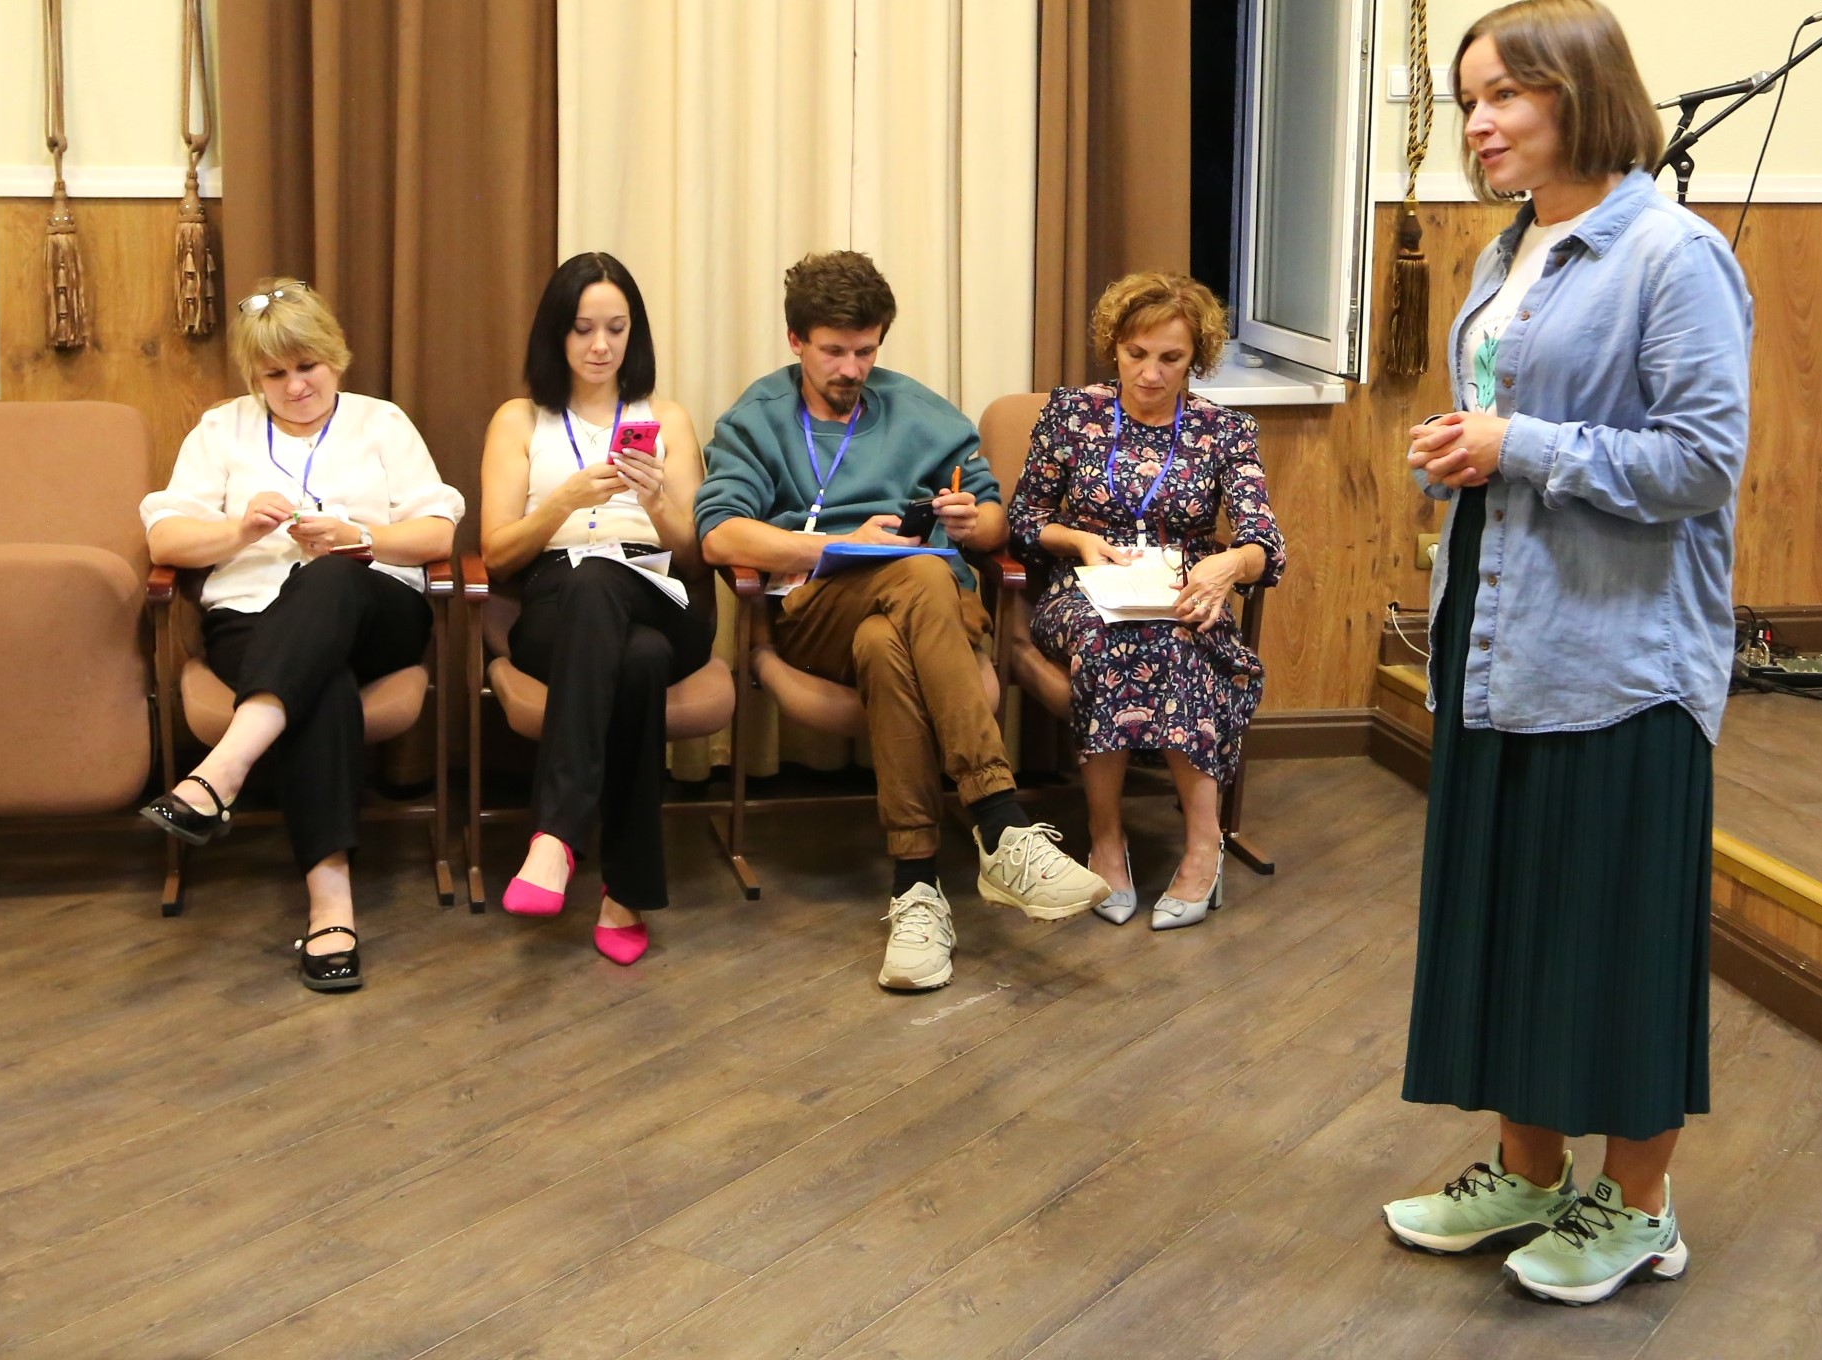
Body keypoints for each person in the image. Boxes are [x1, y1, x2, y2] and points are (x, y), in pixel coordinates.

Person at [1381, 0, 1751, 1305]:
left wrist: (1518, 446)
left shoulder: (1671, 254)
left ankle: (1640, 1207)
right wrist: (1462, 450)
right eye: (1469, 99)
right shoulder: (1510, 248)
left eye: (1504, 95)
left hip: (1619, 655)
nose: (1477, 123)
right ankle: (1529, 1174)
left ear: (1580, 92)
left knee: (1612, 938)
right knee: (1510, 919)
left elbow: (1701, 462)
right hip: (1495, 638)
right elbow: (1505, 421)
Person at [696, 249, 1109, 992]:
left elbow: (993, 522)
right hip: (816, 612)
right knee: (916, 571)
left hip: (927, 617)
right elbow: (720, 535)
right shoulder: (758, 418)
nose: (850, 369)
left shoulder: (918, 410)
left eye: (865, 351)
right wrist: (839, 546)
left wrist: (971, 519)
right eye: (833, 351)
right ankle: (1000, 821)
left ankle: (916, 890)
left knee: (888, 640)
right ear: (796, 341)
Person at [138, 279, 462, 993]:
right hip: (251, 622)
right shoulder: (221, 430)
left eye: (307, 366)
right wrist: (238, 530)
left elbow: (437, 532)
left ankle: (223, 769)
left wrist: (358, 536)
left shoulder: (381, 423)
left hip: (376, 611)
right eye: (274, 374)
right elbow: (165, 537)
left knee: (330, 577)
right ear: (253, 378)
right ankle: (331, 908)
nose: (295, 387)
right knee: (323, 684)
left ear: (335, 358)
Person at [1009, 272, 1285, 929]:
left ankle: (1203, 844)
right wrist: (1078, 539)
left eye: (1170, 358)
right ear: (1115, 345)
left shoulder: (1224, 430)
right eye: (1136, 354)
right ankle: (1106, 839)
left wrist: (1228, 564)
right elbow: (1024, 519)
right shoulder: (1072, 414)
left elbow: (1264, 542)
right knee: (1107, 640)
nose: (1151, 374)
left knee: (1174, 637)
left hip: (1184, 588)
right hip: (1084, 589)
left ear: (1196, 358)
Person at [477, 253, 714, 965]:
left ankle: (555, 835)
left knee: (606, 583)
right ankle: (625, 892)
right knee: (633, 656)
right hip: (556, 598)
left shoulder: (665, 417)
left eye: (616, 328)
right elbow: (496, 556)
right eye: (583, 329)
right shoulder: (519, 419)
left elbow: (694, 552)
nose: (600, 345)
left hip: (656, 586)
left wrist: (655, 501)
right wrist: (563, 502)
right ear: (556, 332)